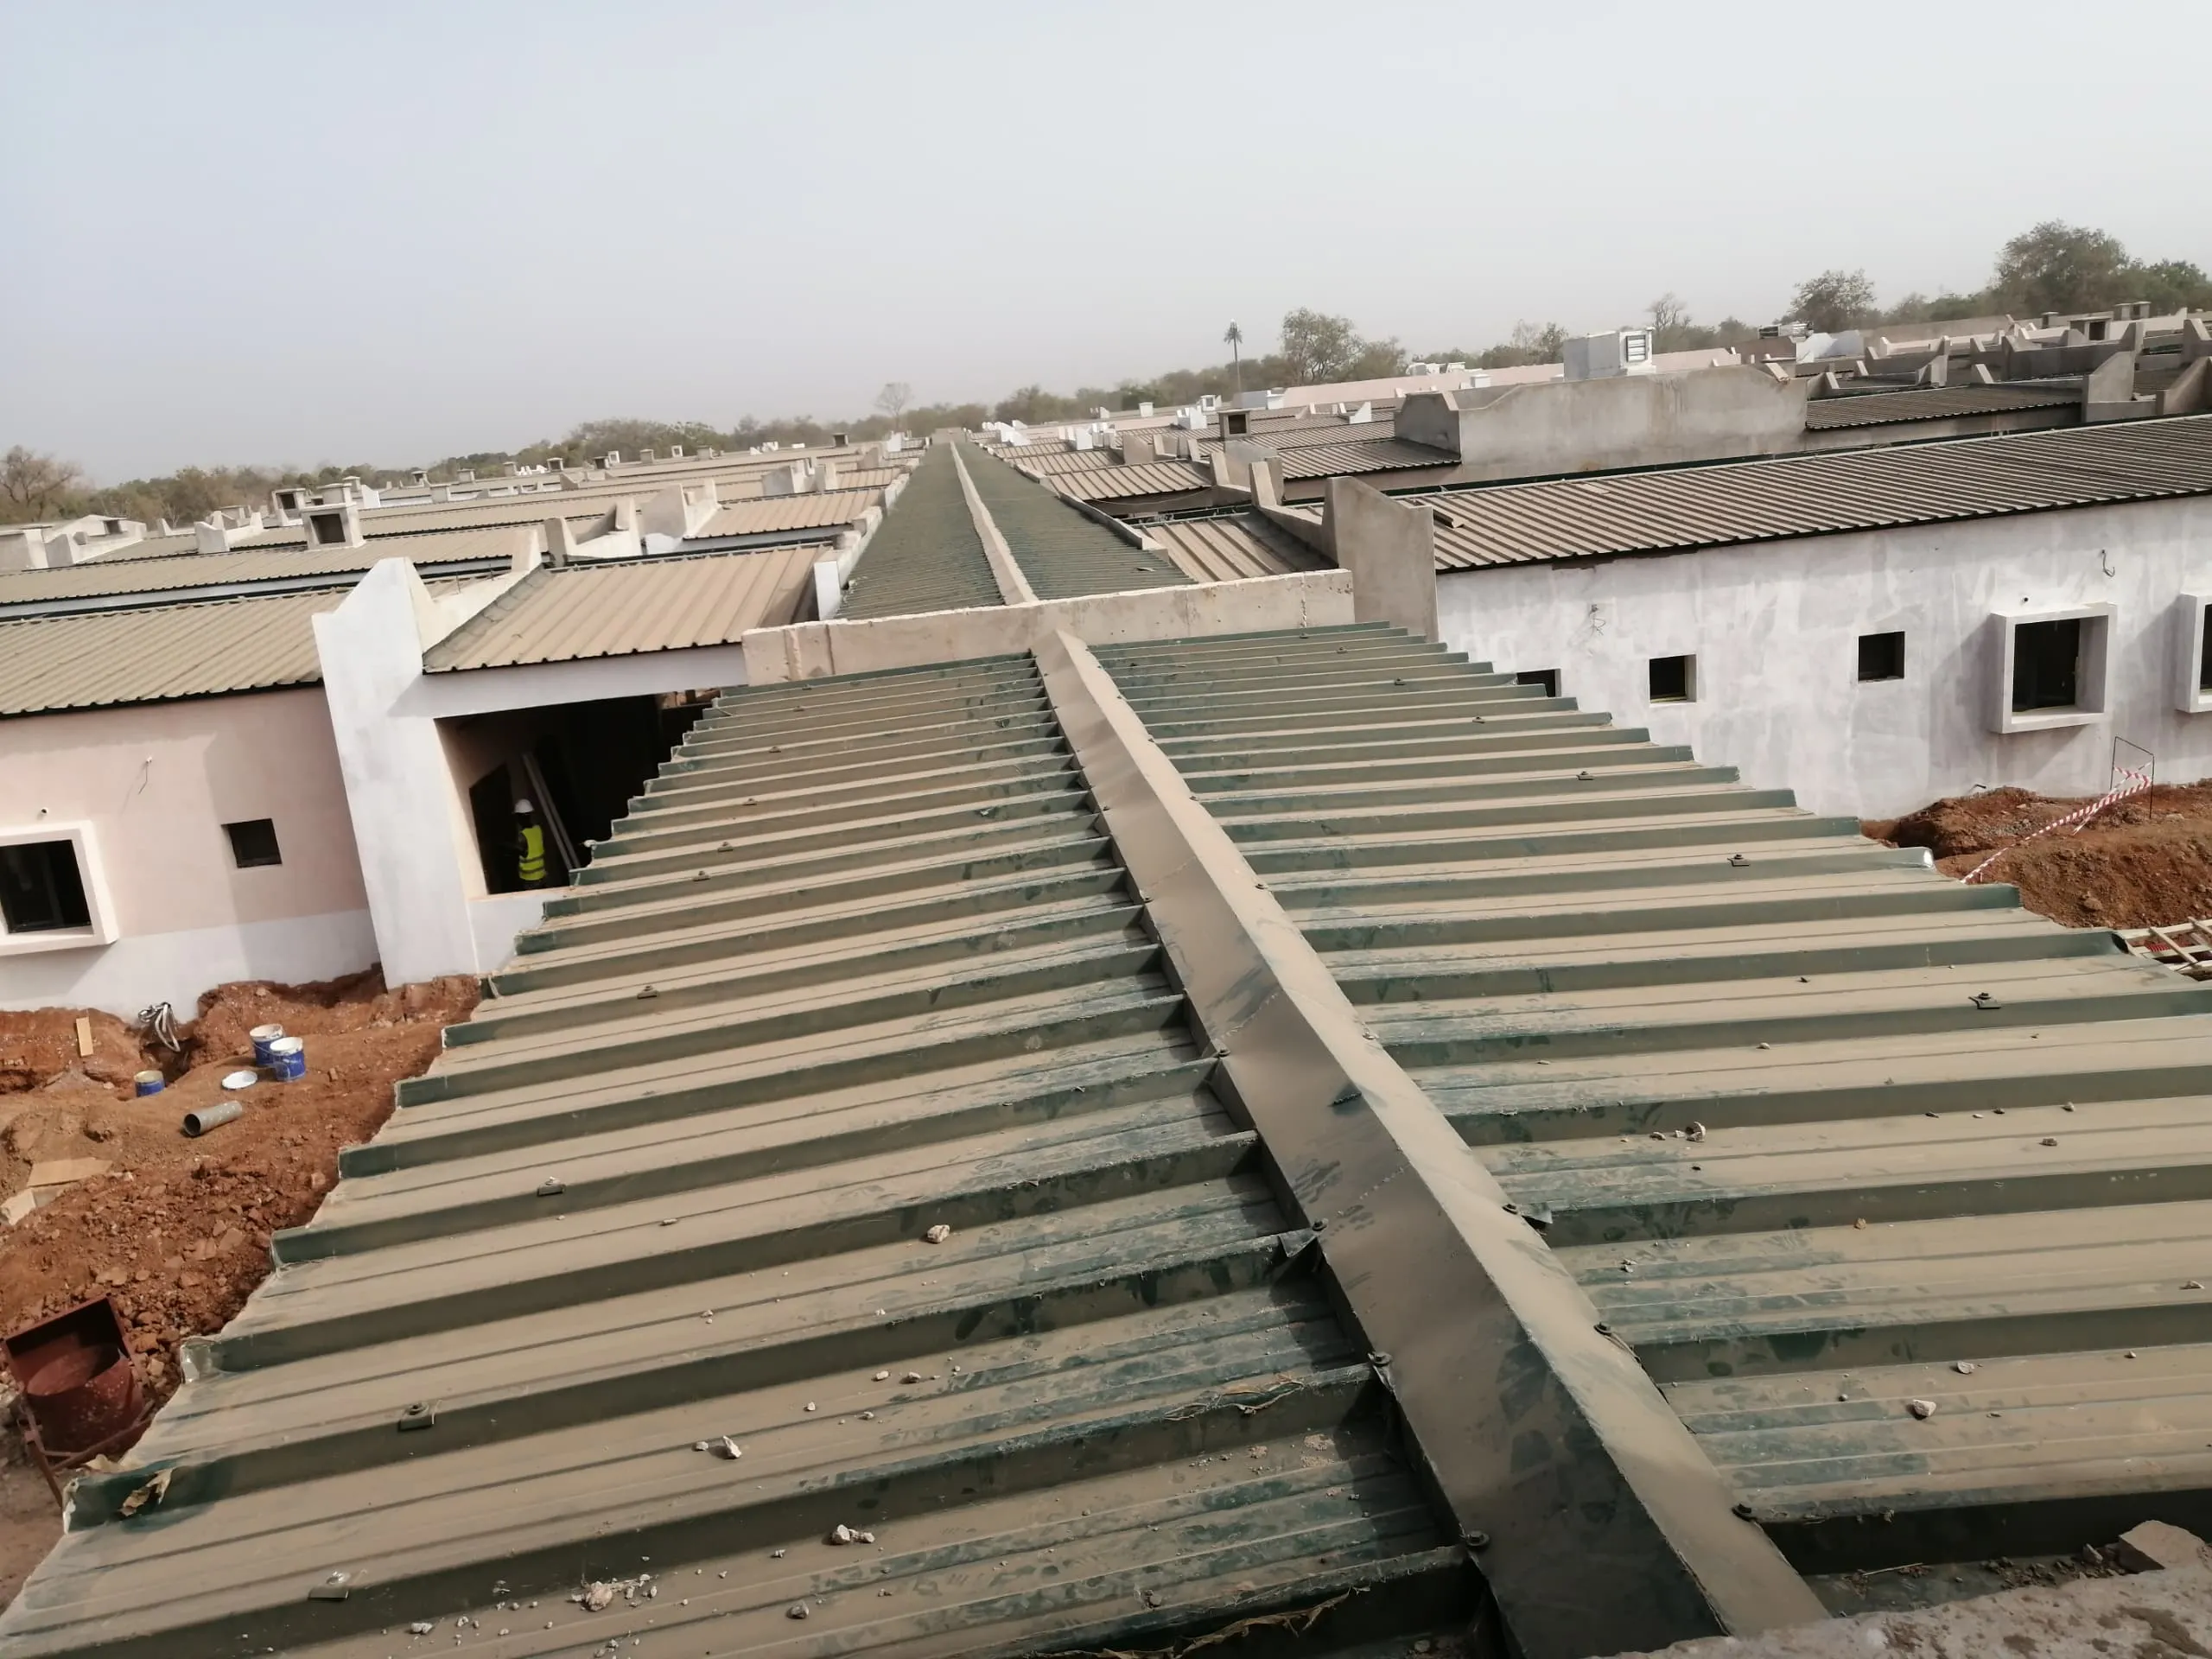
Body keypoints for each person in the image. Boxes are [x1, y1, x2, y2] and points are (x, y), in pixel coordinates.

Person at [513, 797, 548, 887]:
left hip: (529, 880)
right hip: (541, 876)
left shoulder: (522, 836)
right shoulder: (538, 830)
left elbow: (521, 851)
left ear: (518, 817)